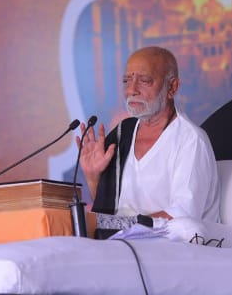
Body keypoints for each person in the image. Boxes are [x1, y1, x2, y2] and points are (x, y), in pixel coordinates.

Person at [76, 46, 220, 223]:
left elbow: (182, 217)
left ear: (172, 87)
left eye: (144, 81)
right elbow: (110, 213)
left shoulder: (190, 140)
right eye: (127, 81)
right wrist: (93, 176)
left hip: (177, 240)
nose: (132, 90)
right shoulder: (122, 134)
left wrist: (123, 226)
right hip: (125, 238)